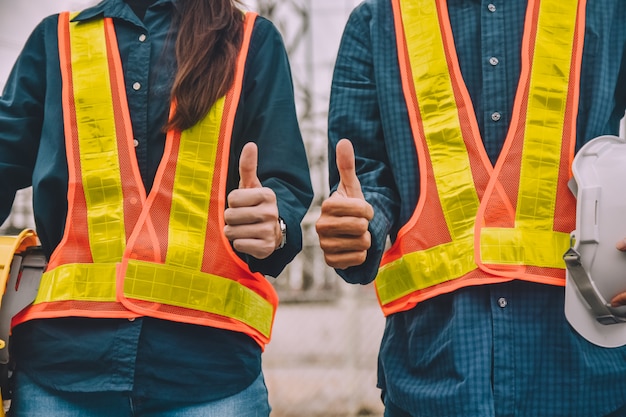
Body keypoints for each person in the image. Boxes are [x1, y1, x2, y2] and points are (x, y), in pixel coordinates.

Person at [0, 0, 313, 415]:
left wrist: (275, 227)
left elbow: (284, 188)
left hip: (210, 375)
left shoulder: (251, 40)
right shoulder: (55, 41)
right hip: (63, 371)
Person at [316, 0, 626, 416]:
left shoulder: (610, 10)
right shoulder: (378, 22)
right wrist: (356, 227)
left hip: (583, 377)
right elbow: (364, 179)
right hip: (434, 378)